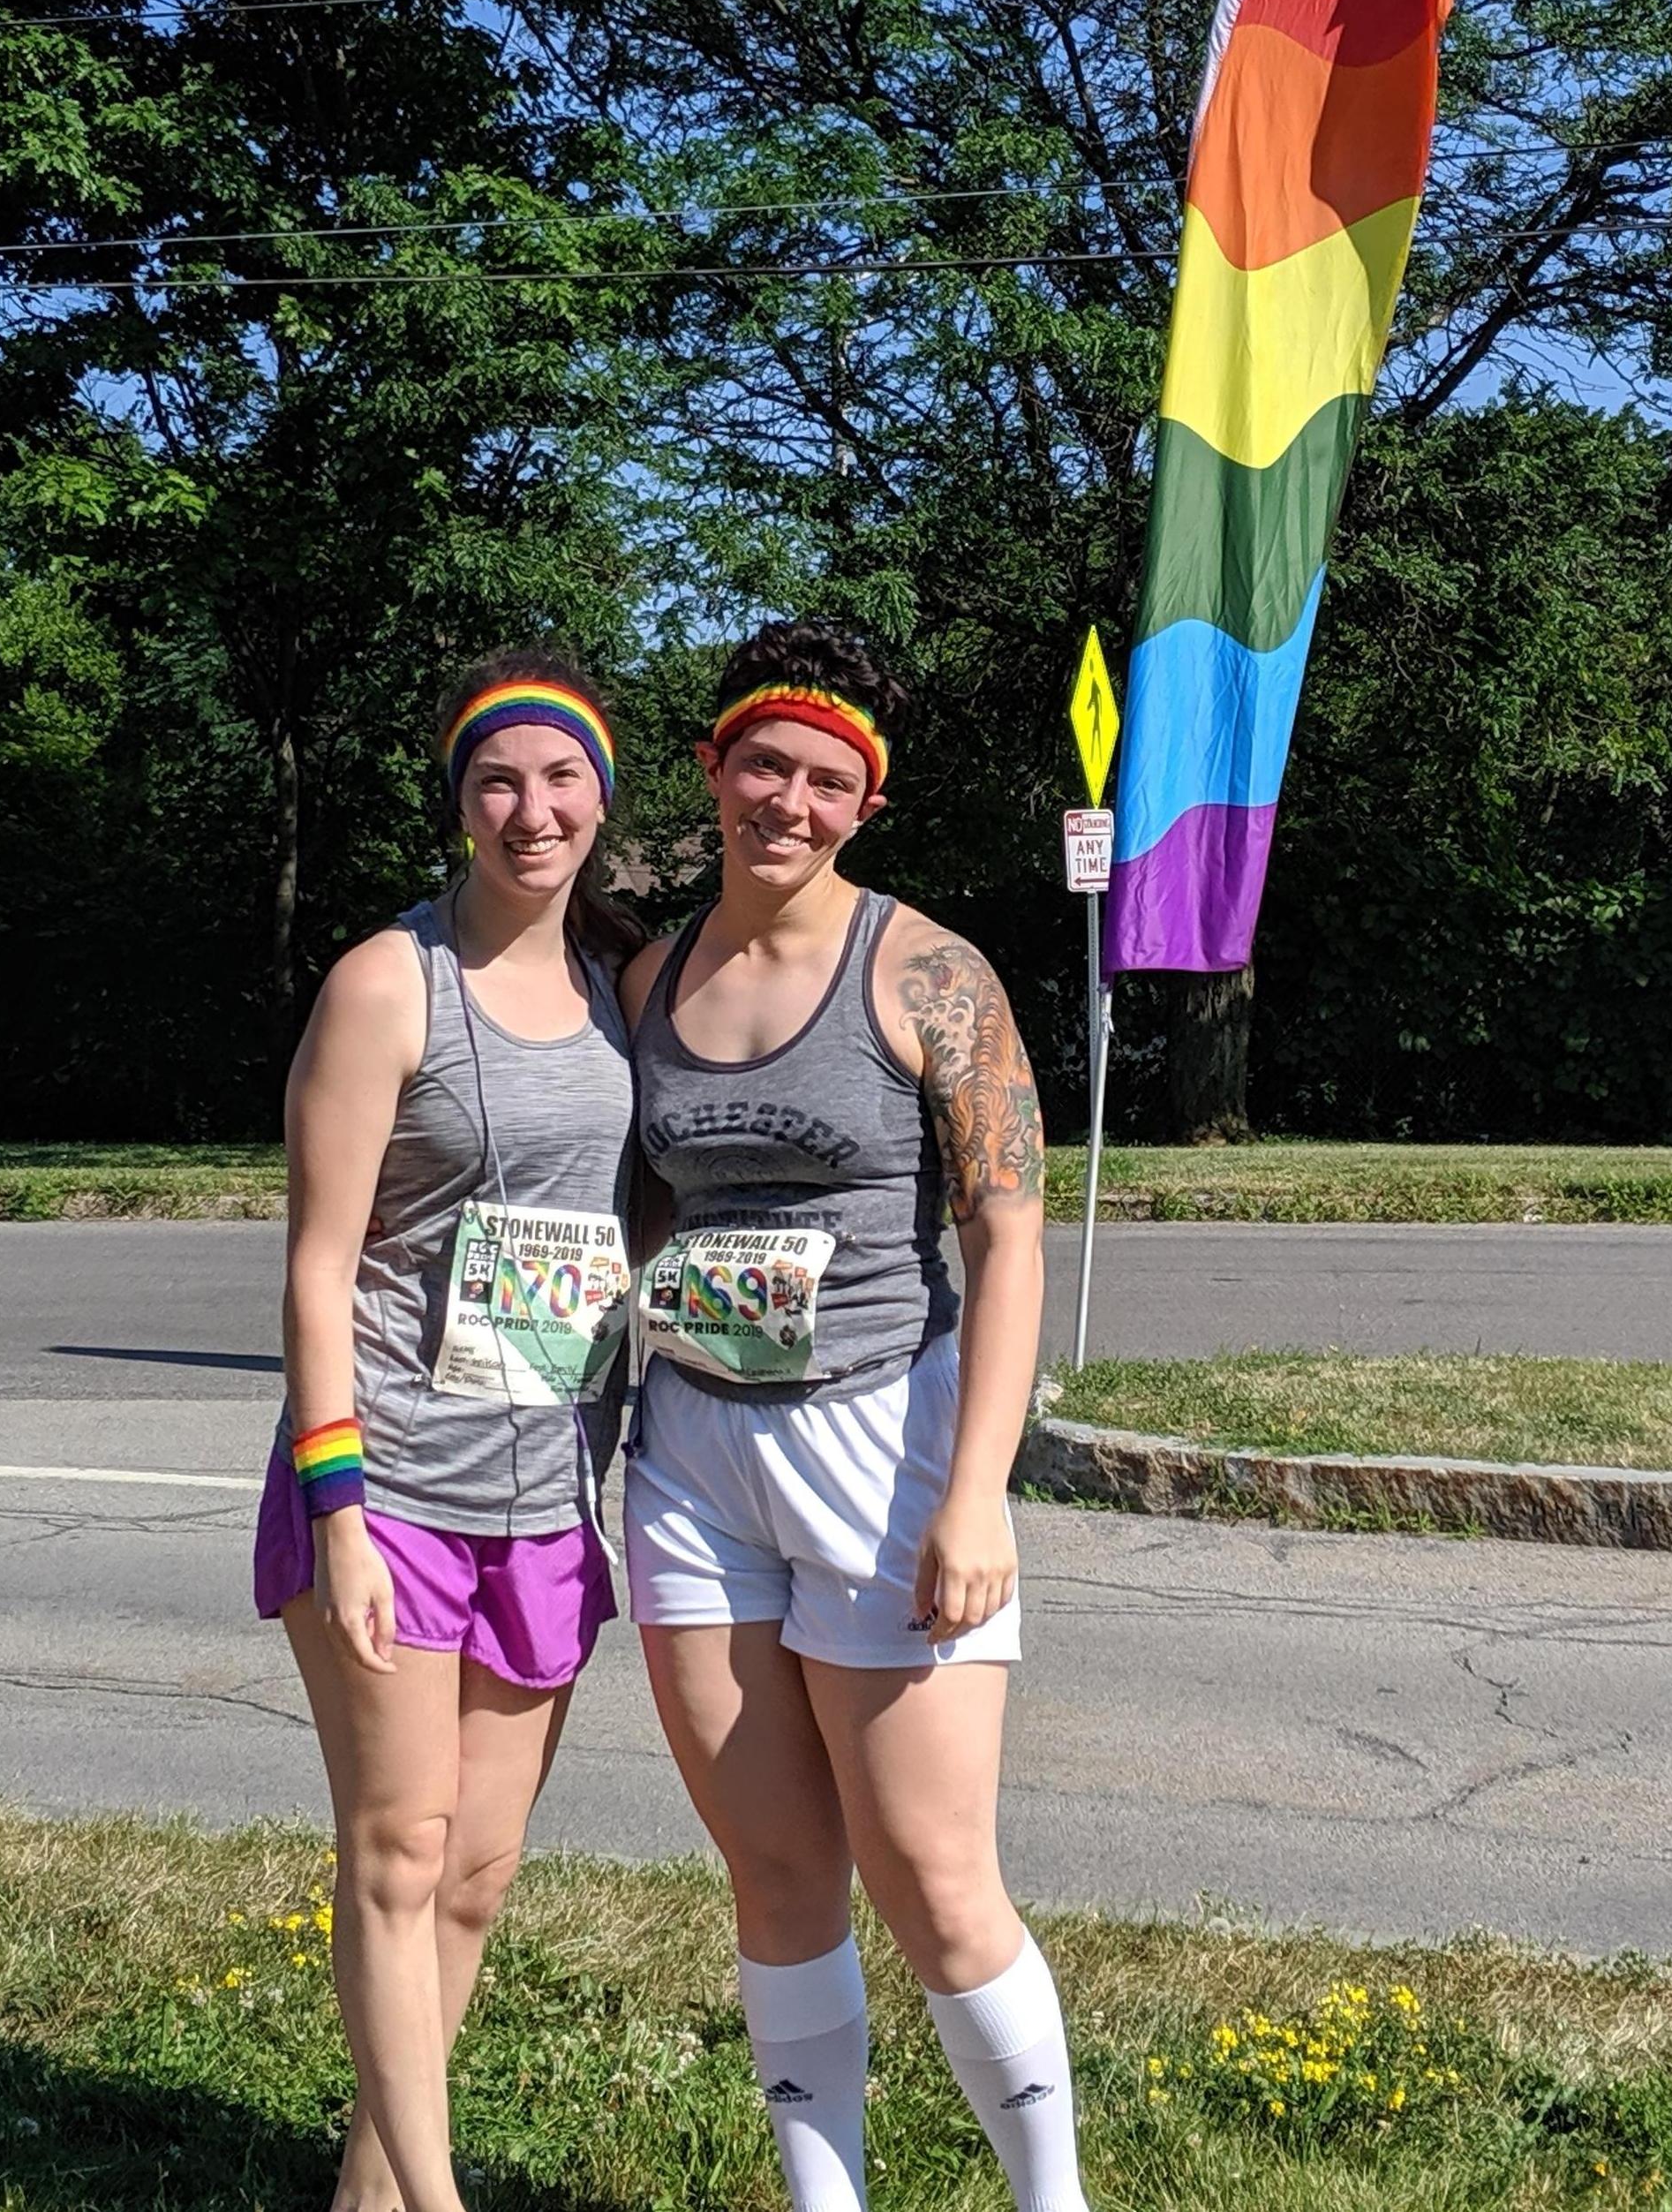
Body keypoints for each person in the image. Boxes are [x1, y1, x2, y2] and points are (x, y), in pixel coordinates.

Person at [621, 619, 1088, 2212]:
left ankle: (1052, 2200)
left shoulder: (927, 972)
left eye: (829, 780)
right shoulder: (647, 971)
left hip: (881, 1443)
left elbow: (1007, 1233)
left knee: (936, 1883)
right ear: (715, 765)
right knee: (774, 1876)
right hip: (689, 1457)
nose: (791, 802)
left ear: (863, 803)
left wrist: (980, 1491)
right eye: (766, 764)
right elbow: (620, 1210)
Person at [257, 652, 640, 2212]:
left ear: (602, 799)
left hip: (548, 1494)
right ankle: (435, 2197)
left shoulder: (631, 989)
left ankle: (370, 2189)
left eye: (560, 780)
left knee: (474, 1876)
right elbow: (315, 1265)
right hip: (392, 1485)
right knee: (397, 1851)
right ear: (460, 796)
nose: (529, 810)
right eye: (499, 780)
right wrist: (337, 1510)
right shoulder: (383, 982)